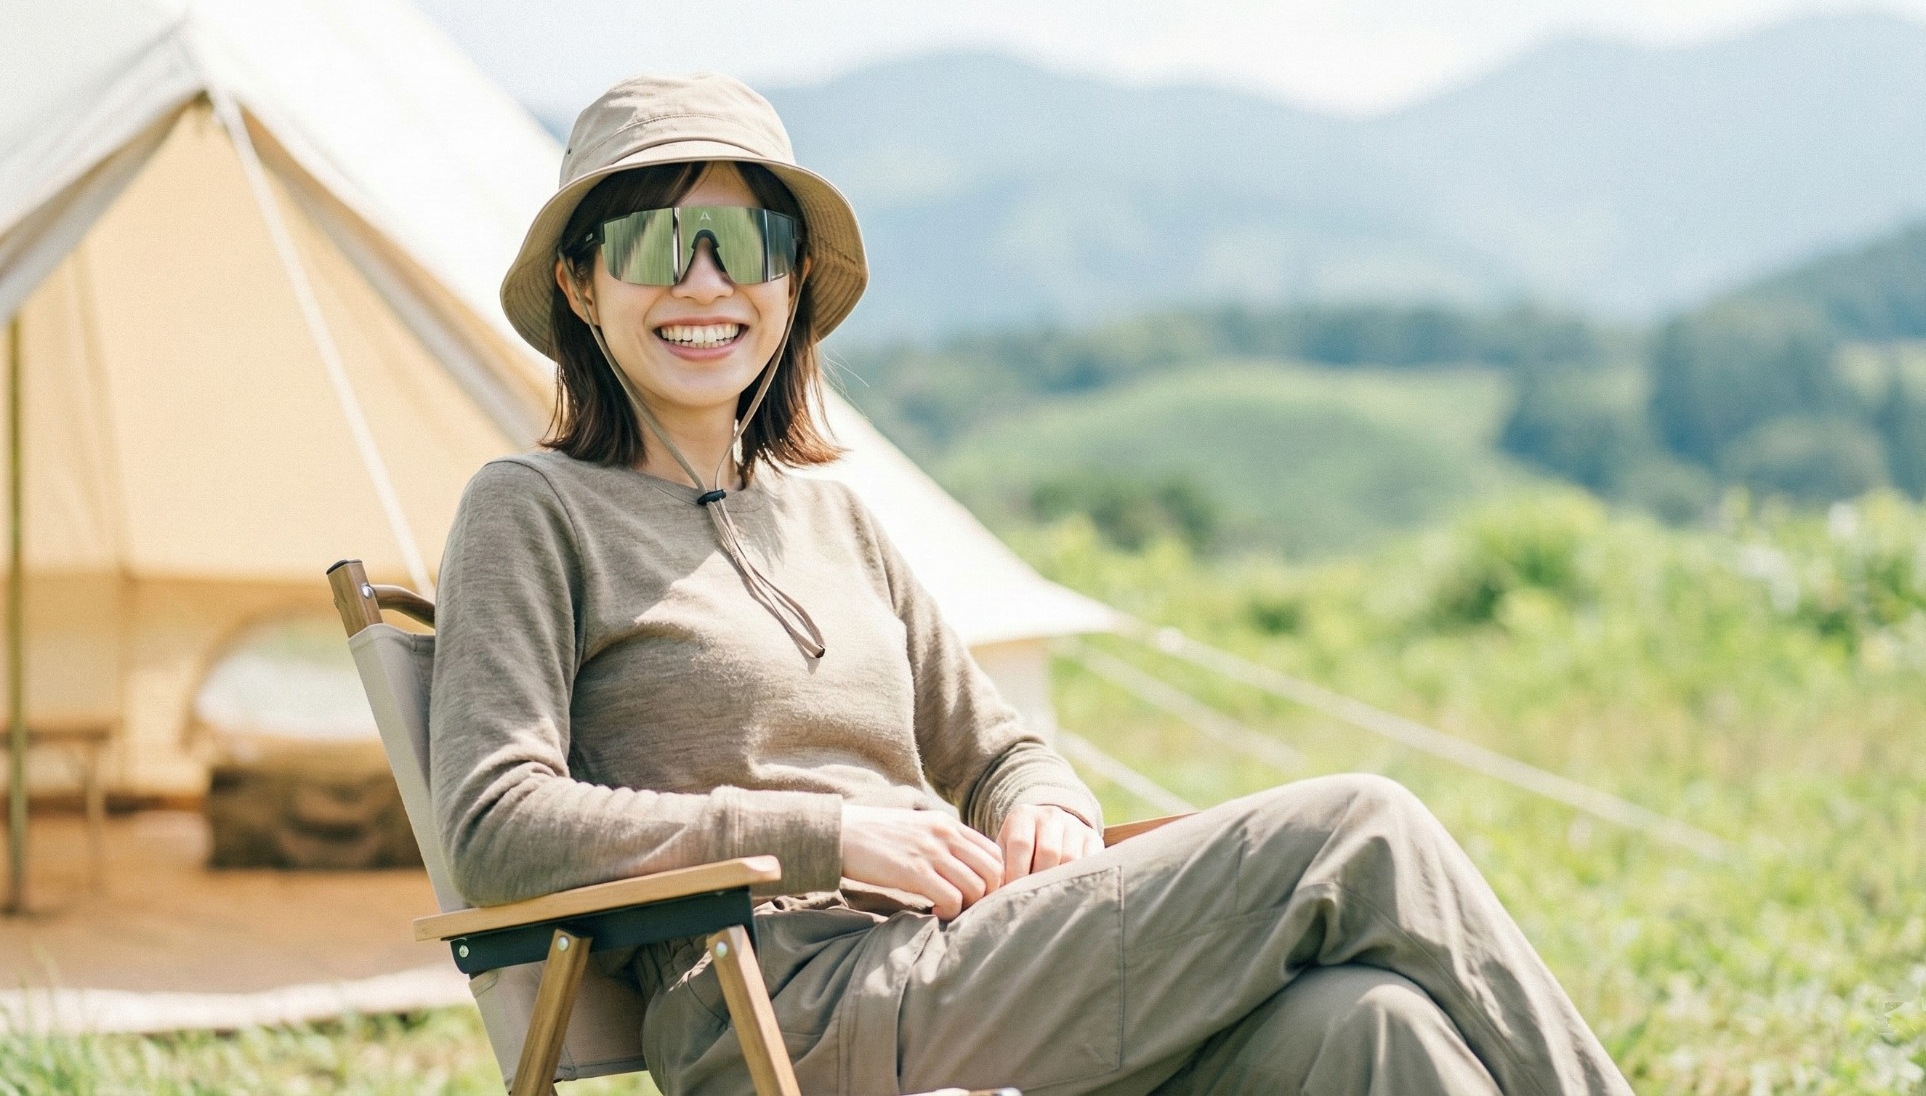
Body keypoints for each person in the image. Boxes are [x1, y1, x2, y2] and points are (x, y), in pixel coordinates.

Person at [429, 72, 1633, 1096]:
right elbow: (495, 826)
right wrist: (824, 836)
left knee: (1371, 1029)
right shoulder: (532, 510)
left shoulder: (832, 518)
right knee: (1358, 825)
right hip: (790, 1011)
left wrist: (1039, 802)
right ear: (582, 286)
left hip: (960, 965)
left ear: (791, 282)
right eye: (650, 244)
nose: (703, 283)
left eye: (745, 244)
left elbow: (996, 747)